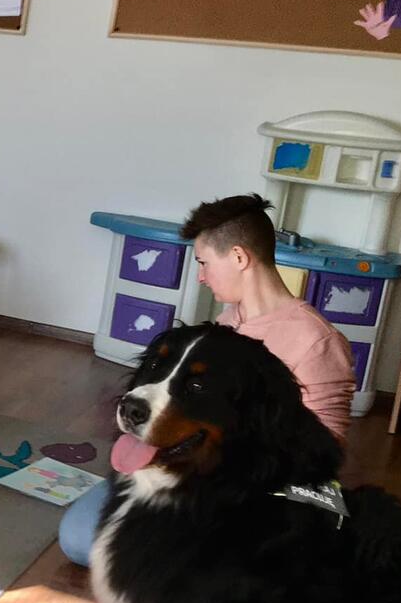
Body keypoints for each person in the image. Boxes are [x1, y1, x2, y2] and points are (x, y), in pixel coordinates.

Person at [58, 193, 357, 566]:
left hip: (253, 497)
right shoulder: (227, 322)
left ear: (238, 257)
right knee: (78, 536)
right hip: (188, 476)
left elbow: (320, 462)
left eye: (204, 262)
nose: (200, 276)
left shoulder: (317, 341)